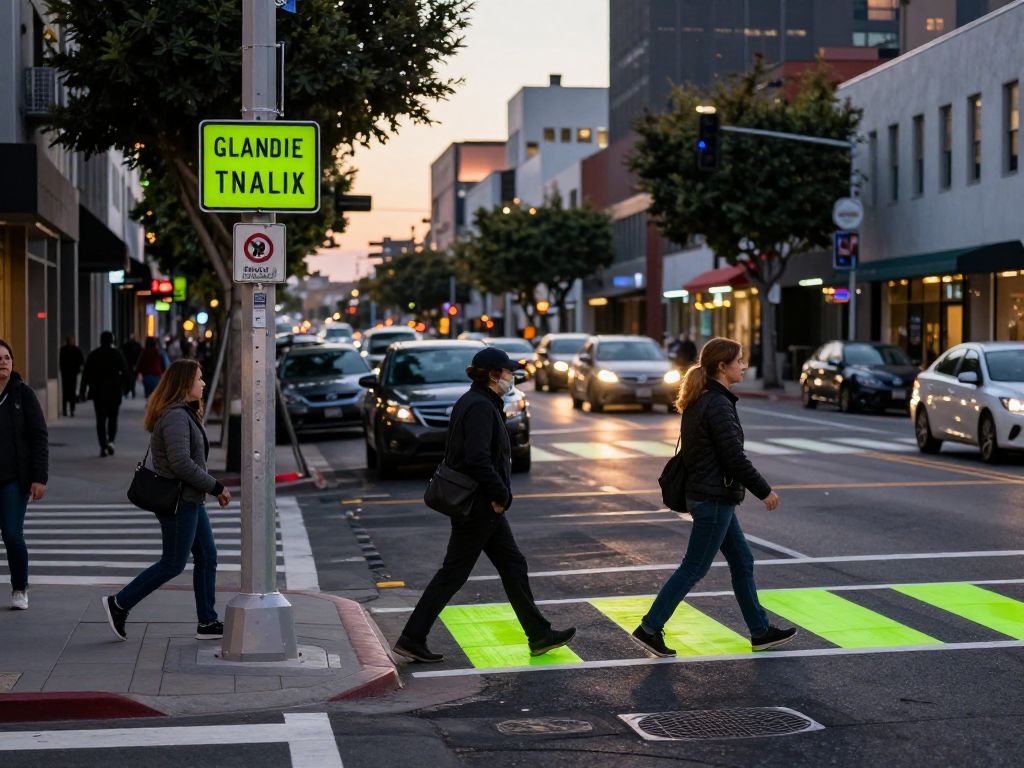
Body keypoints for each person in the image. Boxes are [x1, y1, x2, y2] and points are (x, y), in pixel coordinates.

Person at [393, 347, 576, 663]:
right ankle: (412, 637)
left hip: (479, 503)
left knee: (512, 564)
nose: (511, 377)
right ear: (493, 375)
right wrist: (499, 495)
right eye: (508, 372)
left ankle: (539, 634)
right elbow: (477, 458)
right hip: (479, 505)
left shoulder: (479, 401)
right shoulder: (479, 406)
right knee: (454, 573)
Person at [631, 337, 797, 657]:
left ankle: (760, 631)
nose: (744, 366)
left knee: (742, 561)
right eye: (739, 361)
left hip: (709, 495)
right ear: (723, 366)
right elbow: (734, 457)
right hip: (713, 498)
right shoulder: (717, 403)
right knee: (694, 567)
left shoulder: (705, 397)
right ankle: (650, 627)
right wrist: (765, 491)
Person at [102, 359, 231, 642]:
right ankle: (119, 603)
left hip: (191, 499)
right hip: (179, 502)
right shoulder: (175, 417)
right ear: (185, 383)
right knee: (173, 563)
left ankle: (207, 622)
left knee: (207, 556)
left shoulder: (185, 413)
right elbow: (181, 463)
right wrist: (216, 486)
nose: (203, 383)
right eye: (199, 378)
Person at [0, 339, 48, 610]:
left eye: (7, 357)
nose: (3, 362)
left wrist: (39, 478)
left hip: (14, 479)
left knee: (11, 533)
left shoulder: (22, 394)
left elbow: (39, 436)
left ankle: (20, 588)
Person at [80, 331, 132, 457]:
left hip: (98, 393)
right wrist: (127, 388)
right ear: (112, 340)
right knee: (113, 418)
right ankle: (111, 442)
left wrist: (82, 391)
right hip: (114, 392)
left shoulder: (94, 355)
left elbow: (86, 374)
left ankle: (103, 445)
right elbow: (126, 372)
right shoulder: (117, 354)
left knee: (101, 420)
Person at [58, 336, 85, 417]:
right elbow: (61, 361)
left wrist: (78, 370)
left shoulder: (76, 350)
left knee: (72, 392)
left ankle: (72, 409)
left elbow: (81, 361)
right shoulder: (63, 350)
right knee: (65, 393)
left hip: (73, 374)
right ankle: (65, 410)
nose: (71, 342)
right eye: (70, 340)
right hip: (66, 374)